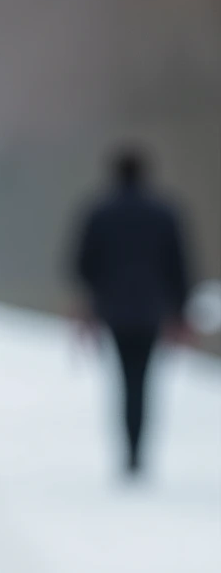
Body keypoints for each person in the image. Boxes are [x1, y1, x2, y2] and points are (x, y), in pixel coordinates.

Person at [71, 147, 192, 477]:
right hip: (152, 309)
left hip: (114, 309)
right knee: (144, 380)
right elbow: (179, 265)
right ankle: (139, 450)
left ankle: (129, 450)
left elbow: (82, 264)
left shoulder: (100, 212)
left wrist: (92, 301)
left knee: (125, 379)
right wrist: (180, 311)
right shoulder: (165, 212)